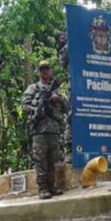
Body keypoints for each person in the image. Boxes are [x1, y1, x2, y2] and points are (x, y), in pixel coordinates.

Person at [21, 60, 68, 199]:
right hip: (39, 130)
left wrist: (57, 99)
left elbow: (66, 107)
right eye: (42, 69)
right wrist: (36, 109)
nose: (45, 71)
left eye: (47, 69)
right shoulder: (33, 88)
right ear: (38, 72)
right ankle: (43, 189)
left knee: (52, 160)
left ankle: (52, 186)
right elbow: (24, 106)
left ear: (51, 71)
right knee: (41, 160)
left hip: (53, 129)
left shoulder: (56, 90)